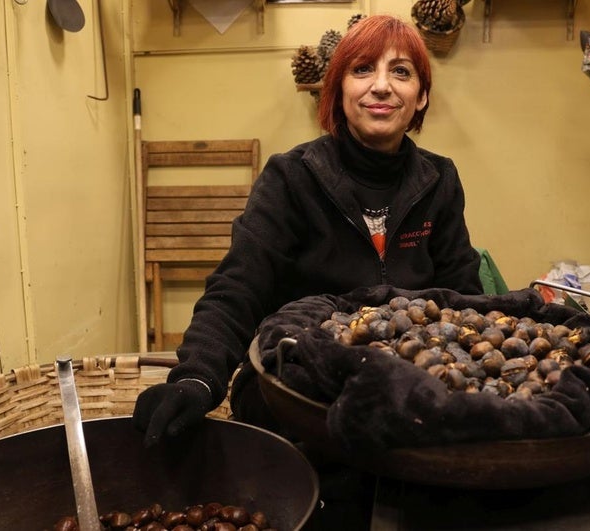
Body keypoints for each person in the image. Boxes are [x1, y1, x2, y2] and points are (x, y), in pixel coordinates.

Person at [133, 13, 483, 528]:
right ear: (338, 88)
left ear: (422, 97)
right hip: (301, 402)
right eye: (362, 69)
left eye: (402, 72)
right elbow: (237, 286)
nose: (381, 86)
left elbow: (464, 297)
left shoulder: (439, 179)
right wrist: (197, 378)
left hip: (406, 399)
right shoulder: (292, 177)